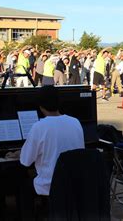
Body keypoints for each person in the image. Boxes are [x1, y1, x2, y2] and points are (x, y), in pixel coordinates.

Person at [7, 86, 84, 216]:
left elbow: (25, 161)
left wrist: (17, 154)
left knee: (23, 187)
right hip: (73, 181)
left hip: (50, 185)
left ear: (40, 106)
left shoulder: (39, 127)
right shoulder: (75, 122)